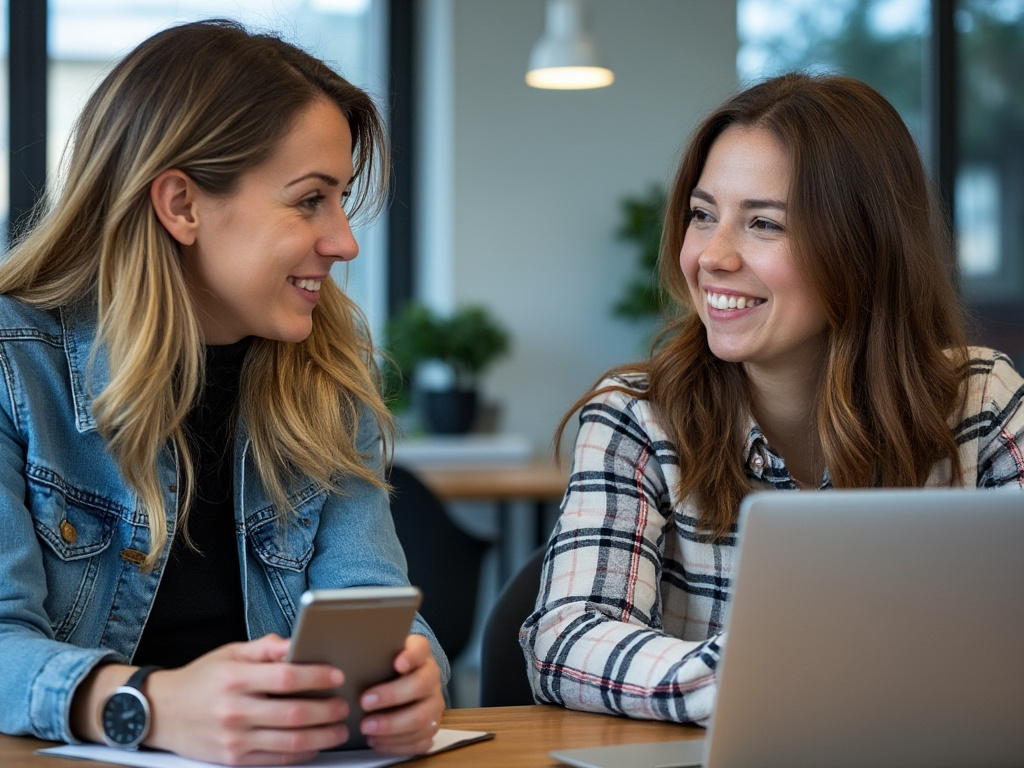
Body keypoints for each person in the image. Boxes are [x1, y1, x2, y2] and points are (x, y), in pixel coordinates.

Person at [0, 19, 447, 764]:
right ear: (181, 204)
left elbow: (368, 601)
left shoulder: (331, 374)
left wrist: (408, 676)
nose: (344, 241)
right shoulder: (16, 368)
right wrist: (146, 704)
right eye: (310, 200)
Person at [521, 72, 1024, 725]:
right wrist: (754, 677)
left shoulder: (980, 399)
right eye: (703, 215)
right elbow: (564, 642)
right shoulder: (635, 416)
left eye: (763, 223)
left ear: (863, 247)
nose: (713, 256)